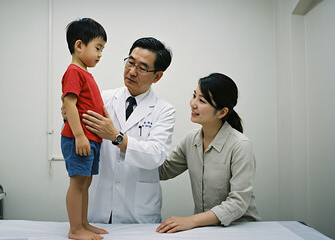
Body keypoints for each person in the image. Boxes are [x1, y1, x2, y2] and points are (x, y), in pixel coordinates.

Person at [80, 37, 176, 224]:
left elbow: (156, 155)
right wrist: (68, 117)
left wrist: (116, 137)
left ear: (157, 76)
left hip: (138, 211)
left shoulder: (164, 110)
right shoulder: (103, 98)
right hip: (98, 205)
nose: (132, 71)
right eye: (130, 62)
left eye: (141, 68)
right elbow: (77, 134)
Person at [156, 73, 261, 234]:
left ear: (222, 112)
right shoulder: (191, 140)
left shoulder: (240, 145)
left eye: (202, 100)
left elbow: (238, 203)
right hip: (204, 230)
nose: (193, 104)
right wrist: (130, 146)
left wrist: (191, 220)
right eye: (194, 96)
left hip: (241, 229)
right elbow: (163, 171)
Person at [60, 18, 108, 240]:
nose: (100, 54)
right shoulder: (73, 72)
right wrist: (79, 136)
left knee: (86, 183)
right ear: (79, 45)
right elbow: (69, 104)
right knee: (78, 182)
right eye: (98, 48)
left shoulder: (86, 74)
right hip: (79, 138)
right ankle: (75, 229)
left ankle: (83, 223)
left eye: (102, 50)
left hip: (91, 138)